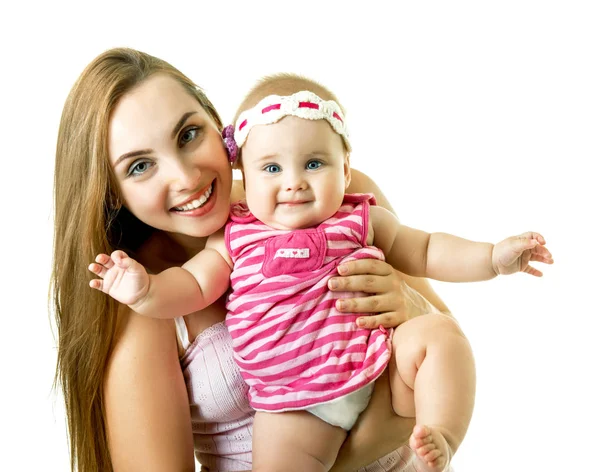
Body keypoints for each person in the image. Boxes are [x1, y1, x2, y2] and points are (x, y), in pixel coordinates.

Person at [87, 73, 553, 472]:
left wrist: (492, 258)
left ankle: (444, 437)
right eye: (141, 165)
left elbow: (428, 249)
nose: (293, 181)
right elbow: (190, 285)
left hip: (378, 374)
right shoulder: (232, 239)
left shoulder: (355, 210)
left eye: (188, 134)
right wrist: (144, 291)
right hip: (293, 404)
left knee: (442, 337)